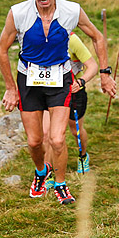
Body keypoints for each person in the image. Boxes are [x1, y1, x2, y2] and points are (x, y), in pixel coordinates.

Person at [0, 0, 116, 205]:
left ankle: (60, 184)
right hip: (28, 80)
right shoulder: (18, 13)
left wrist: (104, 73)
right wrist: (11, 88)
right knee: (34, 141)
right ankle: (42, 172)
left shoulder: (72, 11)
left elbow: (97, 37)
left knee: (58, 139)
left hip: (59, 79)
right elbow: (1, 49)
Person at [42, 31, 98, 183]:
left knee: (75, 131)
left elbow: (93, 66)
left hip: (73, 91)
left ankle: (83, 156)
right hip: (50, 92)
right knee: (47, 135)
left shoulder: (72, 40)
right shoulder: (39, 36)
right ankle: (49, 174)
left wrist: (81, 82)